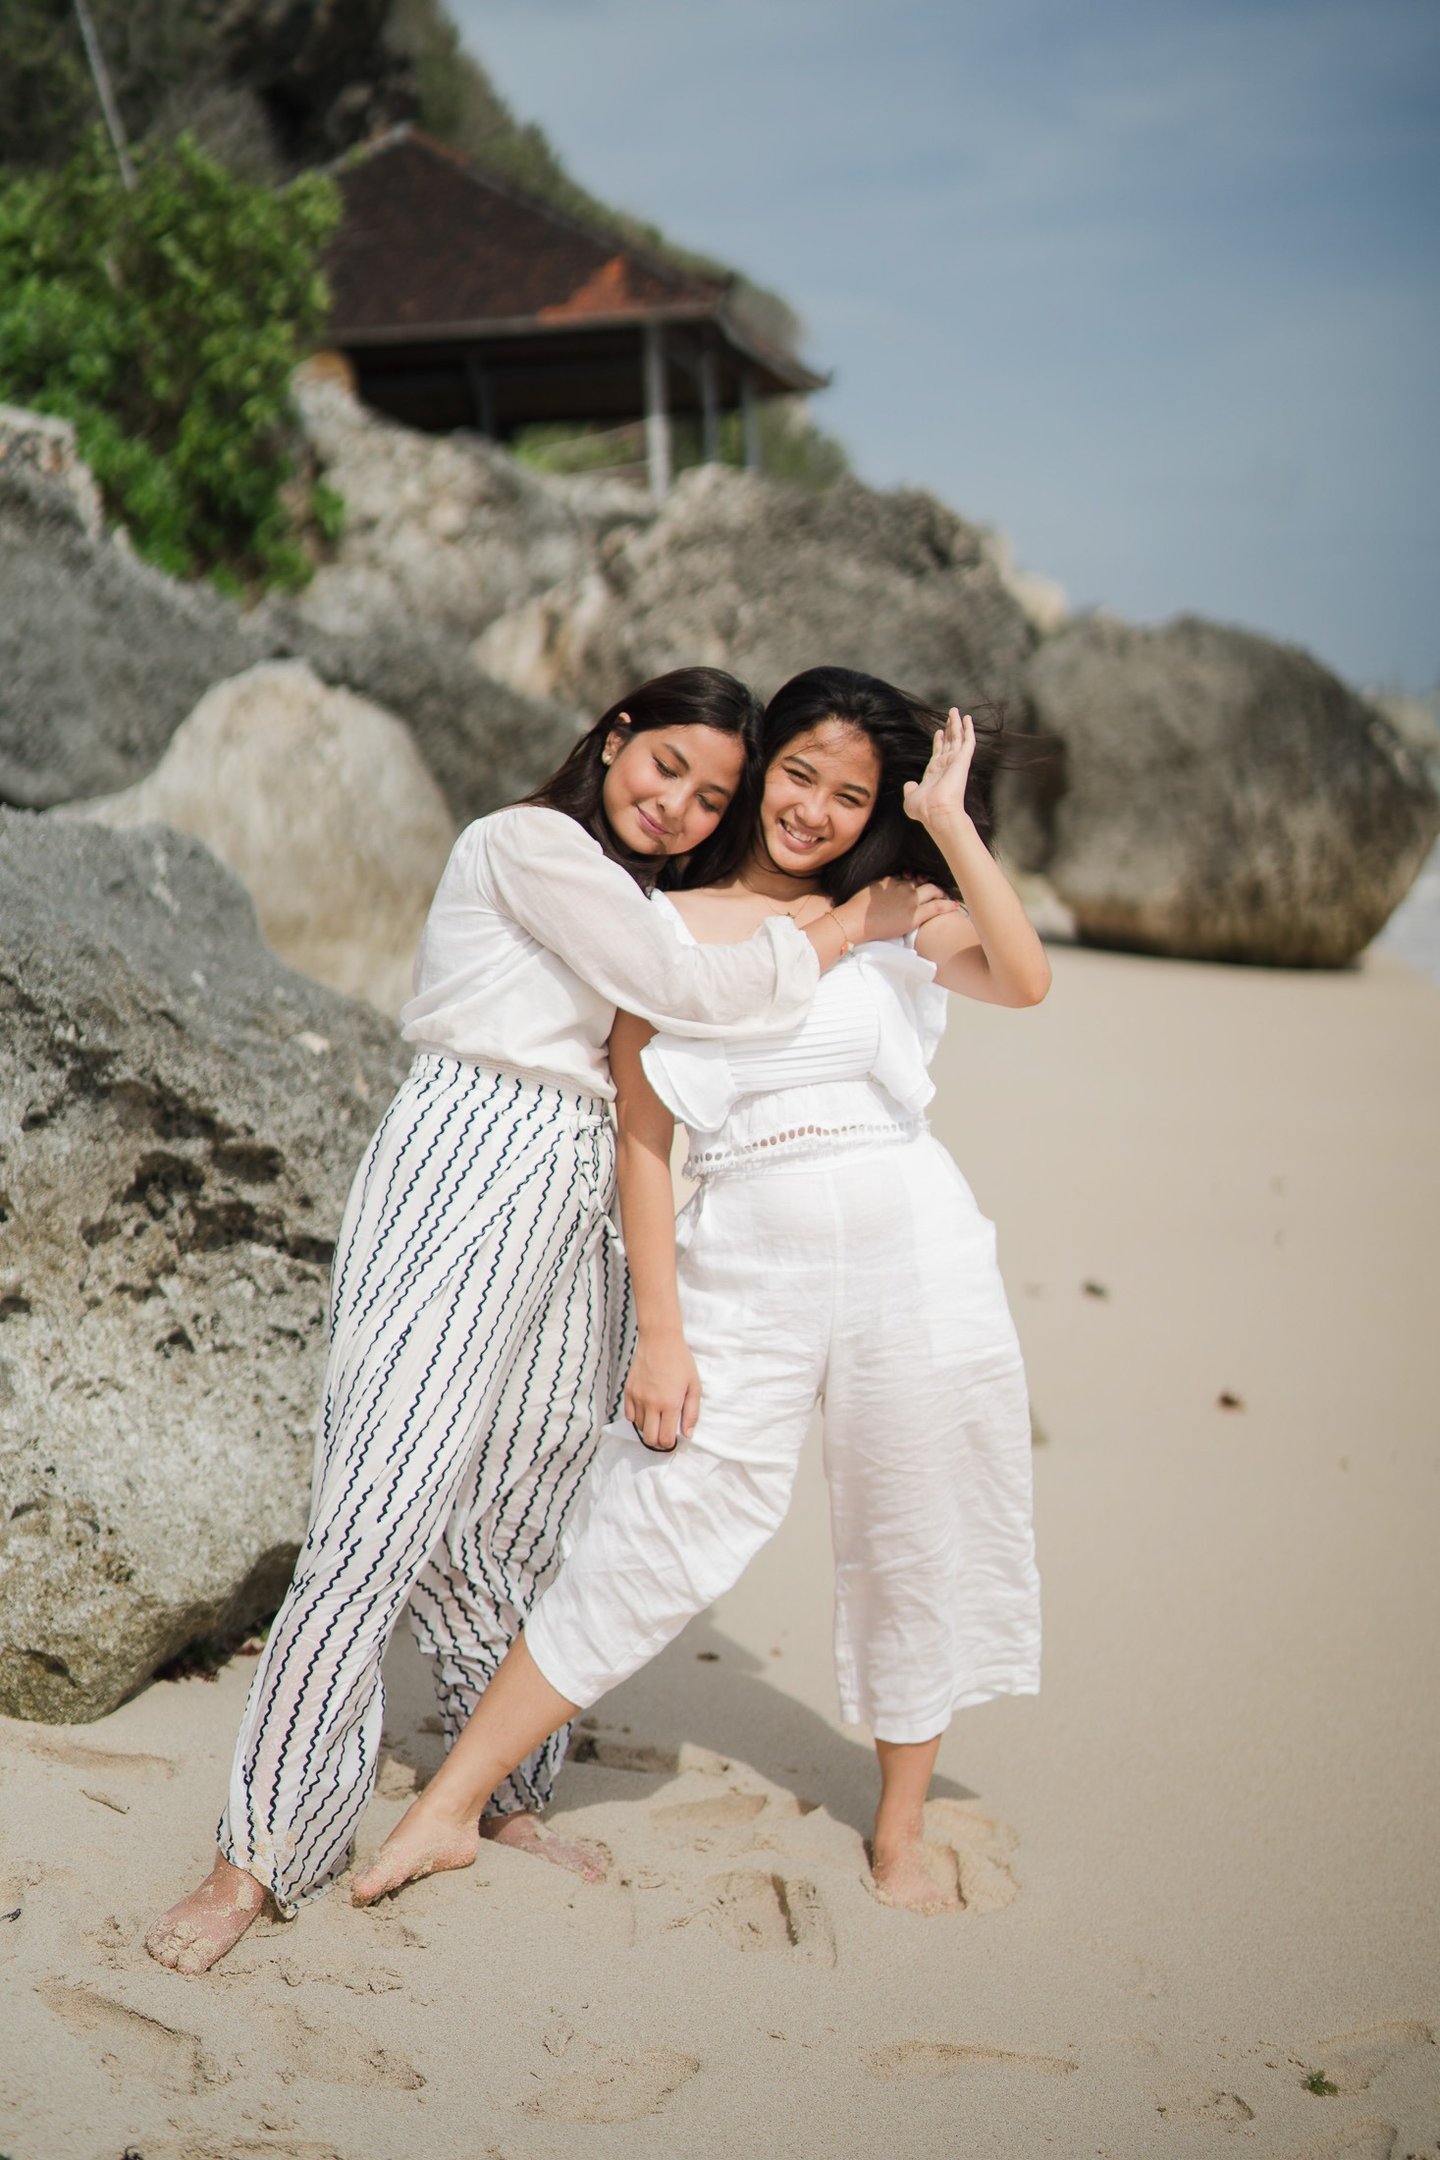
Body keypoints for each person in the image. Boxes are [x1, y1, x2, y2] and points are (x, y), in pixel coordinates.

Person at [145, 666, 953, 1975]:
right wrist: (846, 923)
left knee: (517, 1519)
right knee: (380, 1513)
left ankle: (504, 1798)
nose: (683, 804)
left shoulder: (654, 893)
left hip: (589, 1184)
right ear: (613, 735)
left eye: (714, 796)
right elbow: (682, 990)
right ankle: (254, 1855)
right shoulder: (526, 844)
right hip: (478, 1147)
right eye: (667, 766)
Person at [348, 665, 1049, 1921]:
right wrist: (658, 1336)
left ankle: (899, 1828)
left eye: (850, 794)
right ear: (762, 765)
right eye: (797, 776)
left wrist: (946, 825)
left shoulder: (891, 908)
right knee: (652, 1526)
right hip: (750, 1258)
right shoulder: (666, 918)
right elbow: (644, 1133)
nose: (817, 813)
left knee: (914, 1524)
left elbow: (1025, 977)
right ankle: (452, 1805)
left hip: (917, 1250)